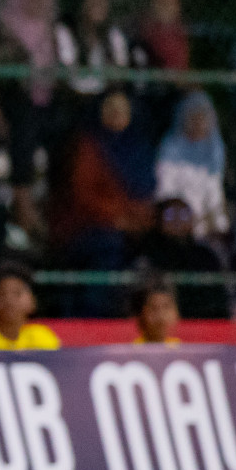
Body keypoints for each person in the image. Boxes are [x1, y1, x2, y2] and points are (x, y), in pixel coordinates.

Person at [54, 89, 154, 315]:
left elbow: (148, 195)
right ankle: (96, 315)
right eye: (110, 109)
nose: (116, 115)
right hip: (91, 227)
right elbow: (84, 195)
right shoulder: (89, 146)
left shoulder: (140, 148)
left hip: (136, 224)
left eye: (122, 110)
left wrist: (138, 221)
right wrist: (117, 219)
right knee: (107, 248)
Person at [0, 0, 60, 237]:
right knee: (24, 125)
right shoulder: (7, 26)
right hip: (15, 99)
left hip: (46, 99)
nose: (36, 3)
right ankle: (23, 203)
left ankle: (54, 208)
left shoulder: (51, 31)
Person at [134, 198, 234, 320]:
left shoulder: (204, 254)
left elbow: (223, 291)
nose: (177, 220)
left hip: (206, 321)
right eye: (170, 215)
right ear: (159, 220)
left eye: (183, 215)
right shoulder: (149, 252)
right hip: (163, 322)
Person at [155, 90, 229, 242]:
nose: (198, 124)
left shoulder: (214, 151)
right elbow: (165, 193)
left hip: (203, 229)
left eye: (203, 119)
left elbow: (215, 194)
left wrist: (219, 226)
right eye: (193, 118)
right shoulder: (170, 149)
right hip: (175, 225)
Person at [55, 0, 132, 102]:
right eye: (93, 1)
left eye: (101, 2)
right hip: (72, 98)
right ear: (83, 4)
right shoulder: (66, 30)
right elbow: (67, 67)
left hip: (104, 98)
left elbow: (120, 69)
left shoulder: (113, 34)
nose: (97, 6)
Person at [0, 261, 60, 350]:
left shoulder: (43, 338)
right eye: (3, 294)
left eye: (17, 293)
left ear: (33, 301)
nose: (9, 301)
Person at [134, 0, 190, 72]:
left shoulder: (179, 33)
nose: (168, 8)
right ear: (152, 1)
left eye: (172, 2)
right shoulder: (143, 34)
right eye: (163, 2)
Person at [131, 274, 181, 345]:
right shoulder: (133, 351)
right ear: (140, 314)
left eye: (166, 307)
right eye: (153, 308)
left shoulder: (180, 350)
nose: (161, 316)